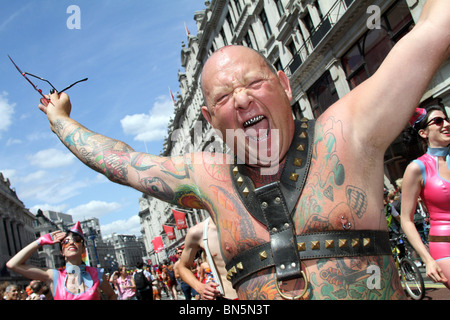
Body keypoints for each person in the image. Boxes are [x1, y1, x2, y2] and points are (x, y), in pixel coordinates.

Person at [37, 0, 449, 300]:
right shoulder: (207, 177)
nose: (241, 100)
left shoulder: (348, 131)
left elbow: (432, 31)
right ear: (209, 119)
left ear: (285, 86)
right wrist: (61, 120)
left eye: (254, 84)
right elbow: (121, 162)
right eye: (223, 98)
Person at [401, 105, 450, 289]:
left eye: (447, 120)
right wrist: (427, 258)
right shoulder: (417, 168)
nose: (446, 124)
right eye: (438, 121)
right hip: (445, 247)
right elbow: (406, 220)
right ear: (423, 133)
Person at [6, 222, 116, 300]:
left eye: (77, 240)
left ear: (83, 249)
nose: (72, 243)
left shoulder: (97, 274)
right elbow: (12, 264)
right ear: (62, 252)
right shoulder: (53, 276)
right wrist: (40, 241)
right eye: (66, 241)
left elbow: (112, 295)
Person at [177, 218, 237, 300]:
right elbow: (183, 266)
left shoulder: (252, 217)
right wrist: (200, 287)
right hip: (229, 297)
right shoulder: (198, 232)